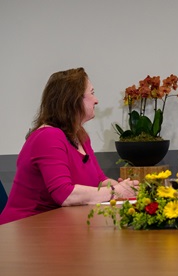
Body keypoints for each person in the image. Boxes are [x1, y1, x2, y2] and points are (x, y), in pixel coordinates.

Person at [0, 68, 138, 225]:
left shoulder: (81, 136)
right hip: (25, 229)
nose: (96, 100)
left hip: (56, 226)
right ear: (74, 100)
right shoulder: (48, 137)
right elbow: (64, 195)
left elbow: (99, 181)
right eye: (91, 93)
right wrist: (115, 192)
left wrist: (123, 188)